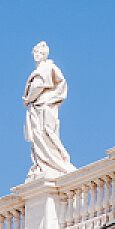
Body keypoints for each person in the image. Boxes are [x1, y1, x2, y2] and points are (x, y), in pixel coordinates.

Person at [22, 42, 76, 179]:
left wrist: (28, 99)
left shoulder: (46, 68)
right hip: (41, 107)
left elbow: (38, 86)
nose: (36, 55)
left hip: (43, 106)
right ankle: (44, 163)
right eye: (35, 52)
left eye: (39, 53)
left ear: (45, 55)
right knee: (41, 136)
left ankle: (56, 161)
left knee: (45, 134)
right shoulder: (44, 68)